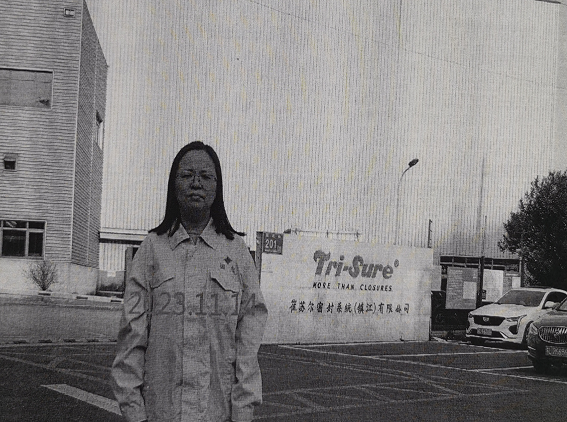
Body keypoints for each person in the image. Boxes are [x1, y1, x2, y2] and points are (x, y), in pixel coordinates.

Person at [111, 141, 268, 422]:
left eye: (206, 176)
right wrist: (134, 411)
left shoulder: (236, 251)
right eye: (187, 175)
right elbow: (131, 337)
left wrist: (243, 410)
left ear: (217, 188)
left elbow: (248, 340)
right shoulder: (152, 249)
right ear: (174, 185)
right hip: (161, 412)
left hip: (218, 413)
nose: (196, 183)